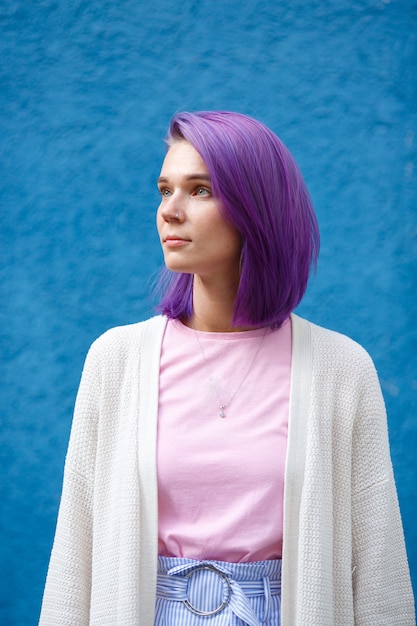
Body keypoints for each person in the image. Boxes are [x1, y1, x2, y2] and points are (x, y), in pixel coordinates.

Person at [39, 111, 415, 626]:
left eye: (199, 191)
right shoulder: (115, 361)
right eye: (164, 188)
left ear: (255, 210)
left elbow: (379, 576)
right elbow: (73, 561)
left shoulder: (341, 370)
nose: (169, 211)